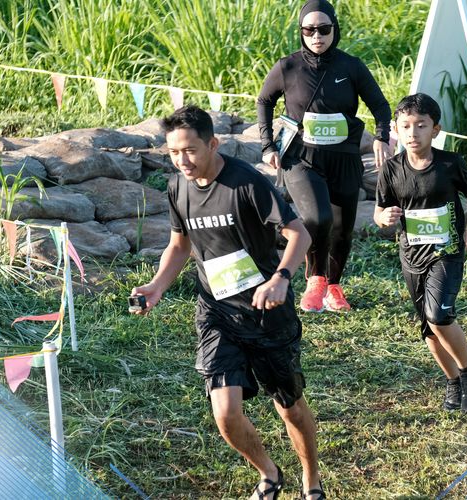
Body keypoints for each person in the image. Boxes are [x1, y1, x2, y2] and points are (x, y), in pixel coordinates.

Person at [131, 106, 325, 499]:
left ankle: (311, 480)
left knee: (289, 406)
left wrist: (280, 278)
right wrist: (156, 286)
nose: (182, 160)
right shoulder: (178, 187)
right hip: (216, 312)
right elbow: (179, 245)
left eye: (190, 150)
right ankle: (269, 474)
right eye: (173, 152)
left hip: (267, 312)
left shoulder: (245, 183)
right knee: (225, 412)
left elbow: (299, 233)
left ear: (213, 144)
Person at [257, 0, 392, 313]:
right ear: (301, 31)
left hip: (344, 158)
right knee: (318, 218)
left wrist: (382, 137)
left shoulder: (351, 67)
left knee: (342, 228)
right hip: (301, 157)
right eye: (309, 30)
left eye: (323, 29)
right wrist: (267, 145)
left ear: (335, 29)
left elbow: (380, 106)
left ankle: (333, 286)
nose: (316, 36)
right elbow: (264, 100)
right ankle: (315, 279)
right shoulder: (288, 67)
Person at [373, 93, 467, 414]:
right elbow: (379, 211)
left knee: (439, 316)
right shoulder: (391, 169)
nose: (413, 133)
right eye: (405, 126)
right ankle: (453, 380)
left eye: (421, 125)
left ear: (435, 130)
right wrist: (384, 218)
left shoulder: (450, 164)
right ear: (397, 130)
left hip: (446, 251)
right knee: (428, 328)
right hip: (412, 256)